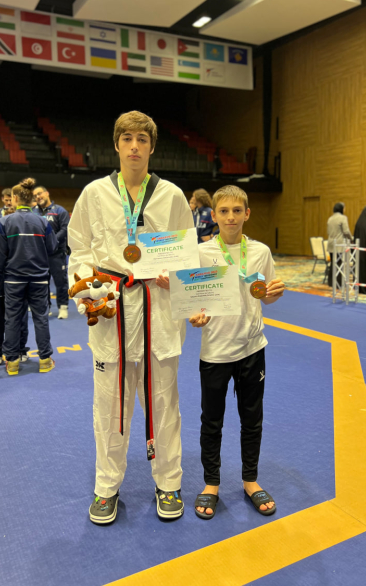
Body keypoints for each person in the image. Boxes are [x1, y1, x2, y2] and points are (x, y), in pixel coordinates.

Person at [68, 110, 194, 525]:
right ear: (117, 145)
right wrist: (89, 291)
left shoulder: (172, 196)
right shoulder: (94, 194)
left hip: (159, 309)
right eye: (128, 139)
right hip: (113, 309)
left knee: (165, 405)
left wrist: (177, 280)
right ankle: (107, 487)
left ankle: (169, 483)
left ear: (152, 147)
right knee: (109, 406)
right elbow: (80, 249)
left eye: (142, 139)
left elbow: (188, 255)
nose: (135, 146)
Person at [189, 185, 285, 519]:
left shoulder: (260, 252)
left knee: (252, 420)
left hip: (252, 348)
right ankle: (211, 484)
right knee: (211, 421)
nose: (231, 217)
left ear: (247, 214)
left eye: (237, 210)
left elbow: (266, 295)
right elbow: (194, 300)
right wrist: (195, 315)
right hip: (215, 350)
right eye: (224, 211)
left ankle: (250, 480)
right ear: (213, 215)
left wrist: (274, 292)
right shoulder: (201, 253)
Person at [0, 178, 58, 375]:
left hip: (13, 279)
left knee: (12, 319)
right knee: (41, 318)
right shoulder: (42, 222)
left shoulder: (4, 222)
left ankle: (12, 362)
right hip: (39, 278)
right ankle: (45, 360)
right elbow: (52, 247)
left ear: (15, 198)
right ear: (31, 199)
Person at [0, 205, 30, 365]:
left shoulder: (21, 234)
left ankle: (20, 348)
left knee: (19, 317)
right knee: (1, 317)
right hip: (3, 280)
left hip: (18, 280)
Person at [33, 185, 70, 319]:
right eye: (35, 196)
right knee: (42, 283)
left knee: (61, 282)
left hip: (57, 254)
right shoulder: (33, 212)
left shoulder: (60, 211)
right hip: (40, 255)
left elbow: (65, 229)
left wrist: (51, 240)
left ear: (47, 193)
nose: (38, 197)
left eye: (40, 193)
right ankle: (46, 307)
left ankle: (63, 307)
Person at [327, 202, 352, 288]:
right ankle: (338, 282)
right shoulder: (343, 218)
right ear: (341, 209)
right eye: (344, 208)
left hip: (330, 243)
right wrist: (351, 238)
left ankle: (331, 282)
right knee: (339, 263)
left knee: (333, 263)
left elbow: (328, 231)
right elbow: (346, 231)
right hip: (339, 244)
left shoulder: (330, 218)